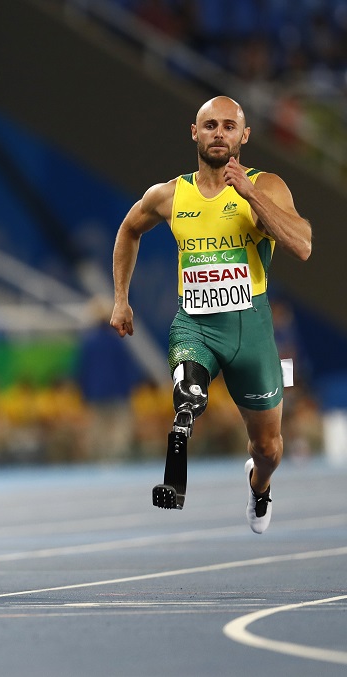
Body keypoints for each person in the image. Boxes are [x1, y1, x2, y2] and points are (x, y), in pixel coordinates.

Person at [110, 96, 312, 533]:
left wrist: (251, 195)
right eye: (210, 125)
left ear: (244, 136)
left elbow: (302, 244)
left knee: (268, 446)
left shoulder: (266, 184)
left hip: (251, 332)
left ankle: (260, 487)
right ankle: (179, 445)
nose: (219, 133)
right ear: (194, 133)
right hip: (195, 326)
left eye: (228, 126)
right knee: (189, 398)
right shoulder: (168, 195)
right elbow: (128, 230)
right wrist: (121, 299)